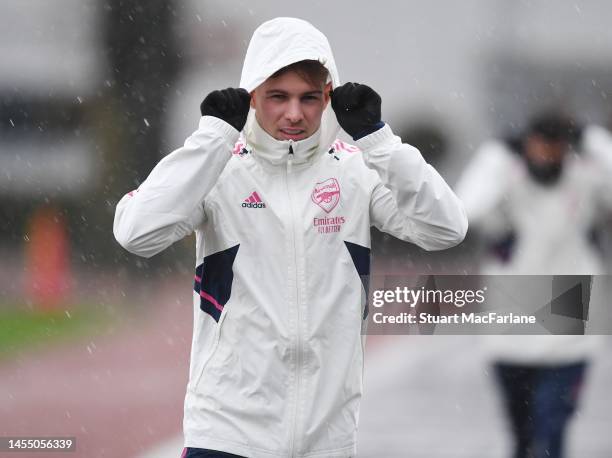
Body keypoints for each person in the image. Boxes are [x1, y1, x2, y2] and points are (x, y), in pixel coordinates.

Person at [114, 17, 467, 458]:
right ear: (251, 97)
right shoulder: (219, 165)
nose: (294, 114)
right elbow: (136, 233)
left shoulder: (356, 168)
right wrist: (212, 138)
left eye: (309, 98)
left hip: (327, 440)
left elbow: (447, 228)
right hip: (226, 434)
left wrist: (380, 141)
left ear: (329, 99)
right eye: (277, 97)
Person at [456, 112, 612, 458]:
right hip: (511, 332)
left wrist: (595, 140)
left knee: (551, 430)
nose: (547, 156)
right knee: (522, 436)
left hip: (568, 331)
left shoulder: (584, 180)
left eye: (556, 147)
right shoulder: (505, 180)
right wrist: (494, 153)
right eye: (540, 147)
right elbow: (465, 210)